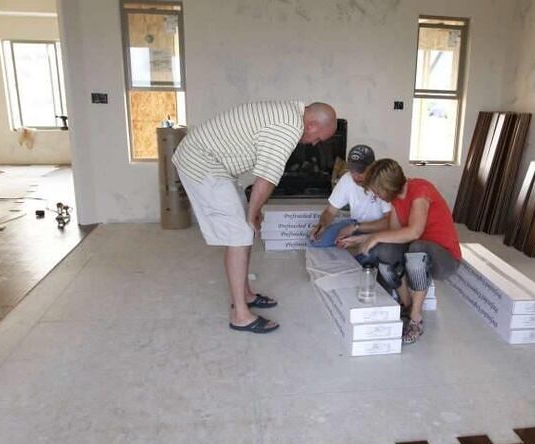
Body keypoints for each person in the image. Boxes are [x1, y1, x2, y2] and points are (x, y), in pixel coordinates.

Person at [172, 101, 337, 334]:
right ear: (311, 125)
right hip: (201, 162)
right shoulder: (288, 127)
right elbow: (265, 179)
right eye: (319, 138)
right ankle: (240, 315)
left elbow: (263, 180)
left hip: (213, 163)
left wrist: (253, 212)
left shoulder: (290, 112)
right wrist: (252, 215)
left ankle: (246, 295)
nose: (316, 144)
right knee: (240, 234)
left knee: (244, 229)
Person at [338, 159, 461, 344]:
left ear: (388, 187)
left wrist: (373, 237)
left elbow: (414, 232)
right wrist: (359, 240)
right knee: (385, 250)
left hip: (445, 259)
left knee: (417, 249)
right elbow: (393, 235)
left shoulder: (420, 190)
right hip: (417, 252)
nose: (377, 196)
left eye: (378, 191)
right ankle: (406, 303)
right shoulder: (395, 199)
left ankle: (415, 318)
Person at [308, 144, 391, 260]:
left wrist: (355, 228)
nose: (356, 177)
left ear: (372, 166)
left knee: (366, 256)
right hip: (355, 223)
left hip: (378, 229)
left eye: (361, 172)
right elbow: (330, 211)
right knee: (316, 241)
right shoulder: (347, 179)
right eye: (353, 171)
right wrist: (322, 225)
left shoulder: (381, 181)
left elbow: (389, 222)